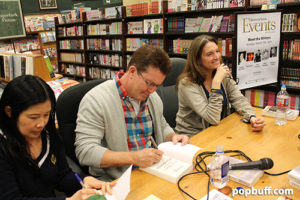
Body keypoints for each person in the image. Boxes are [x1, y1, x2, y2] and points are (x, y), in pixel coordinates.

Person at [75, 45, 190, 181]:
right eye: (149, 83)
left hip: (152, 171)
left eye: (156, 85)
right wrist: (133, 158)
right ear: (132, 71)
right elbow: (85, 151)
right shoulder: (96, 100)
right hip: (116, 180)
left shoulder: (152, 98)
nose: (152, 90)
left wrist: (172, 137)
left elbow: (162, 125)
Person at [0, 75, 115, 200]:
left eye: (46, 114)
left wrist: (85, 180)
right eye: (33, 117)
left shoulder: (48, 134)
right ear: (9, 112)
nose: (41, 123)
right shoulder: (3, 147)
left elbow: (62, 176)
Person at [175, 35, 265, 136]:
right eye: (209, 54)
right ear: (197, 60)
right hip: (193, 138)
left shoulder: (221, 73)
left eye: (217, 51)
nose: (217, 57)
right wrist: (216, 82)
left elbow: (238, 100)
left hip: (219, 131)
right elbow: (212, 118)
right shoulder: (187, 84)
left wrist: (252, 117)